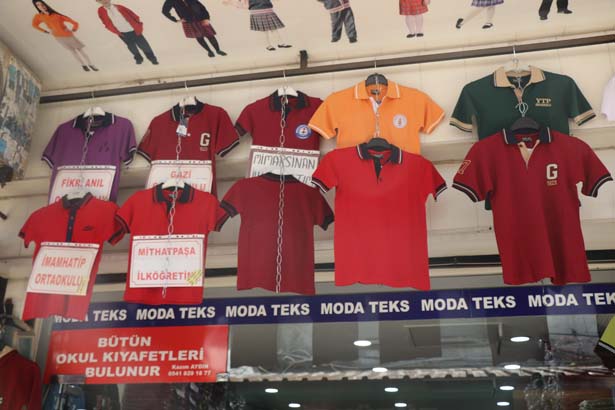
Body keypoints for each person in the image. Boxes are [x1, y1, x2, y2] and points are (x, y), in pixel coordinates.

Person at [31, 0, 99, 72]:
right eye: (38, 5)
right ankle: (83, 65)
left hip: (68, 35)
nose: (41, 6)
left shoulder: (56, 15)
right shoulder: (39, 16)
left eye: (42, 4)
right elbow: (34, 25)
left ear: (45, 5)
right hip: (58, 37)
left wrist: (73, 29)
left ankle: (91, 64)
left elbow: (75, 23)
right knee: (72, 52)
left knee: (80, 50)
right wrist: (46, 31)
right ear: (36, 7)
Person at [96, 0, 159, 65]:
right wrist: (114, 30)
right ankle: (139, 59)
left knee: (144, 46)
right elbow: (105, 22)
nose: (104, 1)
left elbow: (133, 15)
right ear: (98, 1)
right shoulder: (100, 10)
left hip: (133, 30)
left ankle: (152, 59)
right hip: (122, 33)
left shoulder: (119, 7)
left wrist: (138, 25)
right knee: (131, 47)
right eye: (101, 0)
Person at [162, 0, 227, 57]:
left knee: (210, 35)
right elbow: (164, 11)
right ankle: (209, 51)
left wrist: (207, 18)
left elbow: (202, 7)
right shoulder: (171, 0)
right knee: (199, 37)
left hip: (201, 19)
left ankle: (218, 50)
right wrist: (176, 20)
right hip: (189, 21)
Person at [223, 0, 291, 51]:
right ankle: (268, 45)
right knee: (264, 31)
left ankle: (280, 44)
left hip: (268, 11)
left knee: (274, 29)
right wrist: (230, 3)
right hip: (257, 12)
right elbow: (244, 5)